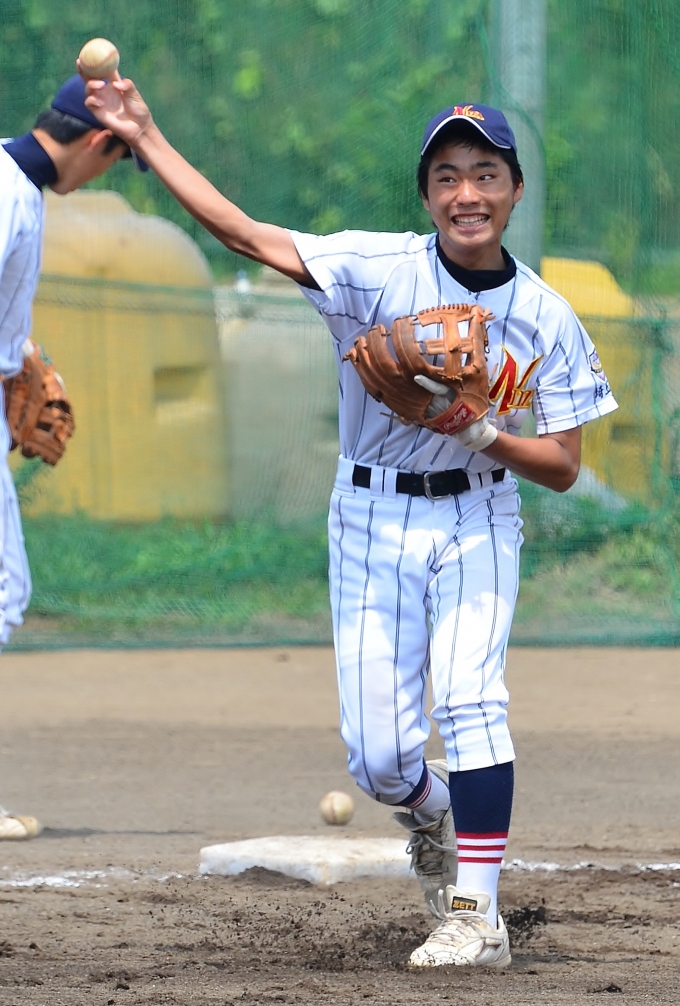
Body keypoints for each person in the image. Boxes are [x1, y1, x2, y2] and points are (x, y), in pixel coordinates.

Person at [86, 78, 617, 966]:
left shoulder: (546, 316)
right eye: (447, 177)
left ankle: (475, 914)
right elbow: (244, 233)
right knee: (380, 764)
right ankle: (436, 814)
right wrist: (145, 136)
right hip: (371, 515)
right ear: (427, 197)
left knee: (472, 701)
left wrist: (478, 431)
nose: (467, 194)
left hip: (479, 514)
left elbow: (562, 466)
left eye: (486, 174)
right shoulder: (375, 271)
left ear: (516, 189)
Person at [0, 75, 147, 841]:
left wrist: (15, 352)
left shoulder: (13, 183)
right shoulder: (8, 191)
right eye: (116, 159)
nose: (104, 174)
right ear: (96, 142)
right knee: (4, 590)